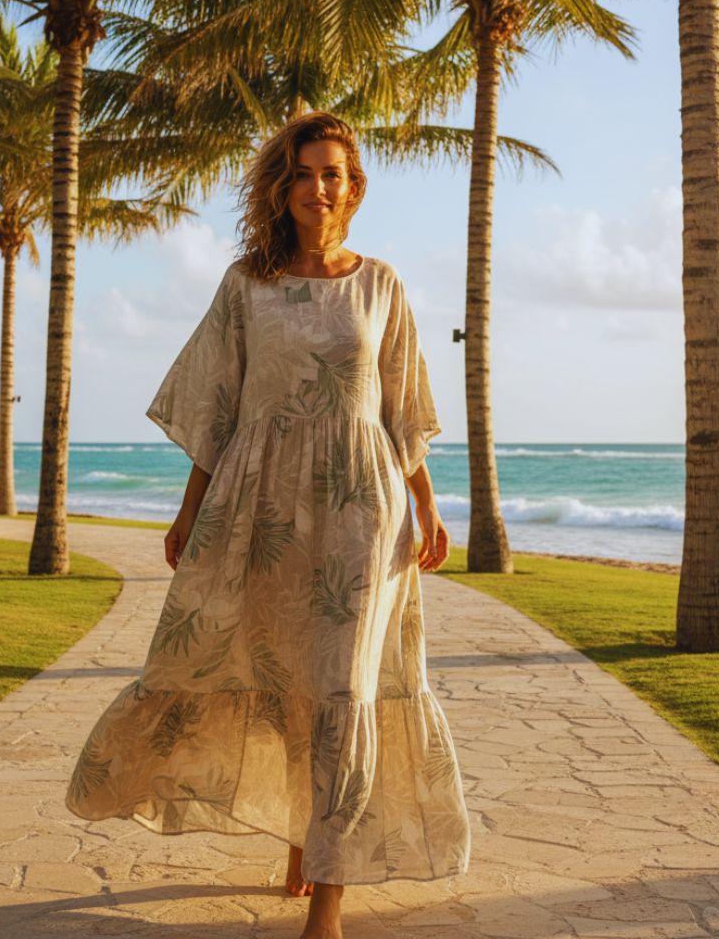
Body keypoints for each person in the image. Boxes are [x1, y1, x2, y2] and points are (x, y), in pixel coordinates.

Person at [65, 111, 472, 939]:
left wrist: (427, 504)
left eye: (335, 174)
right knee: (286, 687)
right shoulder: (245, 285)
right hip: (261, 507)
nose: (320, 188)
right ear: (281, 188)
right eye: (305, 173)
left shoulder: (382, 285)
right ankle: (304, 833)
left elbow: (400, 409)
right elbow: (216, 407)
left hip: (362, 506)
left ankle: (329, 889)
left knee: (343, 688)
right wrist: (188, 511)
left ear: (354, 187)